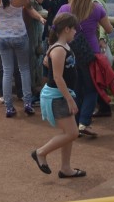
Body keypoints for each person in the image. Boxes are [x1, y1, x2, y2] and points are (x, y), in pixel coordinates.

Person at [58, 0, 114, 138]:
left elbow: (55, 28)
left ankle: (74, 124)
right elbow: (109, 29)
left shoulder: (64, 9)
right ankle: (84, 122)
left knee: (76, 89)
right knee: (91, 89)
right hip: (92, 54)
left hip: (70, 53)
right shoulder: (96, 9)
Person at [32, 12, 86, 178]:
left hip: (61, 94)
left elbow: (50, 63)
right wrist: (70, 100)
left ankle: (65, 168)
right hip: (57, 97)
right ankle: (40, 152)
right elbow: (57, 77)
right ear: (67, 29)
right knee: (72, 133)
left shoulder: (61, 47)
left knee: (68, 132)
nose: (76, 32)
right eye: (74, 29)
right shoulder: (59, 49)